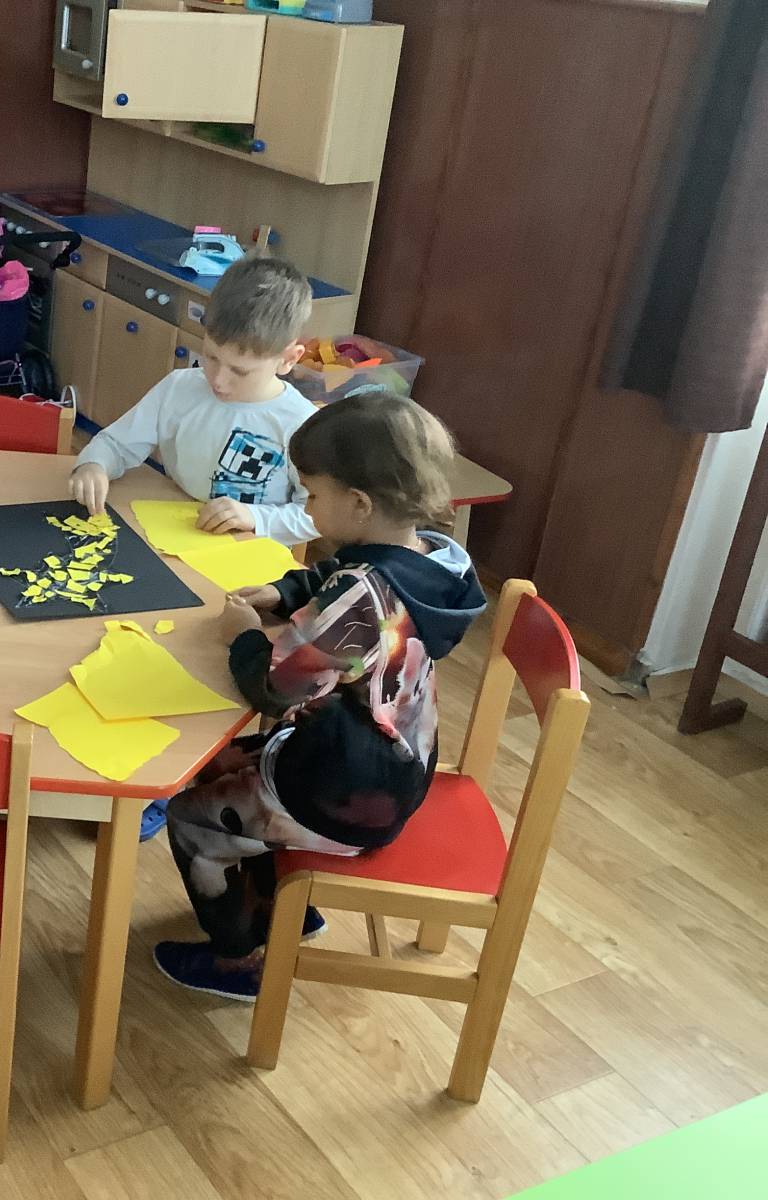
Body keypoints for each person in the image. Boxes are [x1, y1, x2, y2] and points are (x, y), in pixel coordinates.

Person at [152, 389, 486, 1002]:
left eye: (310, 493)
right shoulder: (436, 560)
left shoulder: (359, 598)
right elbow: (343, 576)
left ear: (358, 503)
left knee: (189, 817)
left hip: (346, 796)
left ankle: (236, 962)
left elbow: (276, 689)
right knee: (217, 765)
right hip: (392, 765)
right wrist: (286, 593)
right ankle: (284, 905)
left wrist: (242, 636)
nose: (305, 504)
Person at [69, 256, 321, 839]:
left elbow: (314, 513)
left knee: (203, 666)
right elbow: (117, 443)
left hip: (249, 575)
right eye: (210, 357)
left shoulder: (299, 423)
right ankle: (119, 771)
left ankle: (170, 783)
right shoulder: (180, 389)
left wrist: (257, 516)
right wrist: (93, 464)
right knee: (129, 645)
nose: (219, 379)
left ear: (289, 359)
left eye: (240, 369)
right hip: (167, 546)